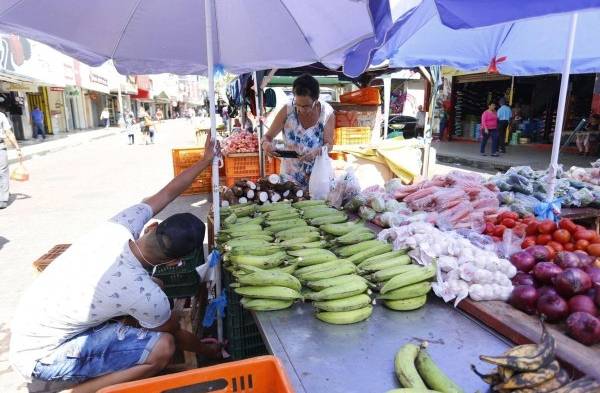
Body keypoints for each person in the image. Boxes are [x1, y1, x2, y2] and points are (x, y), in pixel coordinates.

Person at [10, 135, 222, 392]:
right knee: (163, 346)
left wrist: (204, 161)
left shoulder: (122, 225)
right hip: (43, 357)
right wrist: (207, 350)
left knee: (152, 288)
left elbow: (167, 193)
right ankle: (79, 391)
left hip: (28, 328)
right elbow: (176, 332)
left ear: (151, 227)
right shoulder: (144, 294)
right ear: (176, 261)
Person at [261, 74, 335, 187]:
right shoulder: (287, 110)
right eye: (298, 105)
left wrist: (317, 152)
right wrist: (266, 145)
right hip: (289, 176)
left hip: (317, 175)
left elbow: (329, 144)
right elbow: (267, 137)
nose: (301, 109)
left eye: (306, 106)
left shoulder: (326, 112)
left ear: (316, 99)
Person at [0, 106, 22, 209]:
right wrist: (17, 148)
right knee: (3, 172)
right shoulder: (1, 116)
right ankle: (3, 199)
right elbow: (8, 132)